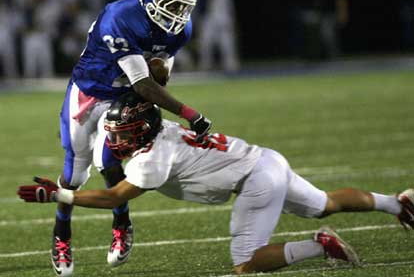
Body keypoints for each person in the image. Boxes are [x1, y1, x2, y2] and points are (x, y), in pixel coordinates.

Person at [18, 92, 414, 275]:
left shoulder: (153, 157)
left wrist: (59, 194)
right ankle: (399, 204)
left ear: (142, 131)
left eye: (123, 133)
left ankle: (319, 246)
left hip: (255, 178)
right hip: (265, 159)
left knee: (245, 262)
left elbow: (113, 197)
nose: (116, 140)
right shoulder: (163, 132)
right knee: (324, 202)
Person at [43, 0, 211, 276]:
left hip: (123, 96)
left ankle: (122, 223)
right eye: (171, 3)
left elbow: (157, 77)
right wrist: (189, 113)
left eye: (182, 5)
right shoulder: (119, 17)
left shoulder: (180, 29)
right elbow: (144, 83)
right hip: (90, 91)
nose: (177, 13)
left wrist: (162, 70)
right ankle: (61, 234)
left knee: (108, 162)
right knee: (75, 174)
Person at [196, 0, 240, 73]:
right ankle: (205, 64)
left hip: (224, 20)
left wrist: (233, 22)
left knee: (226, 43)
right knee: (205, 42)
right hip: (209, 20)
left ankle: (231, 65)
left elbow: (230, 7)